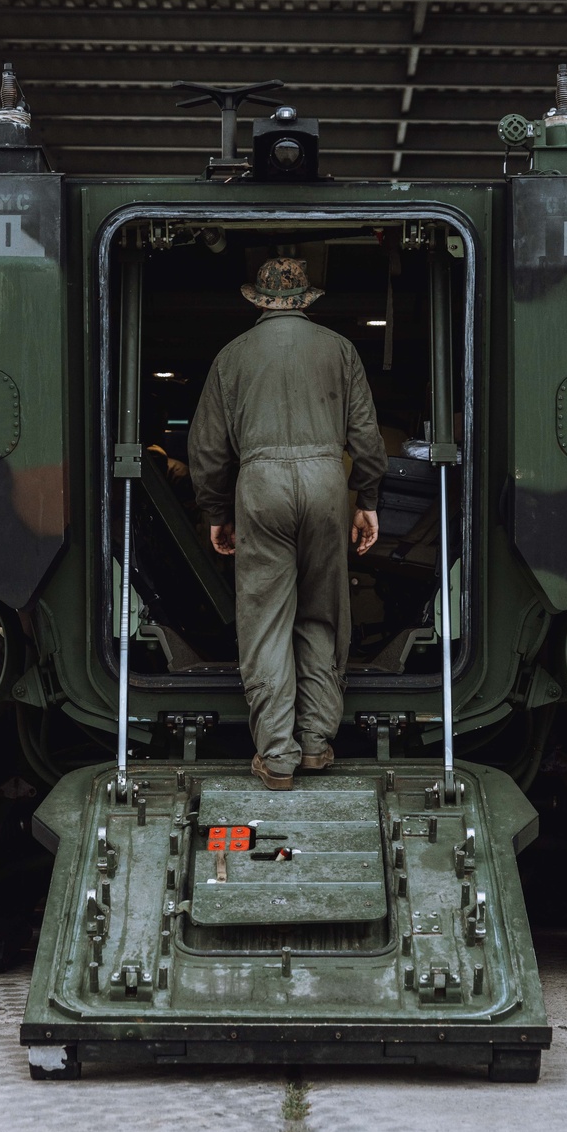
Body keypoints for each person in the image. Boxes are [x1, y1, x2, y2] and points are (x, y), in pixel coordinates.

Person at [188, 256, 388, 790]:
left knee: (267, 622)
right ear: (305, 300)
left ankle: (277, 755)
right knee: (323, 613)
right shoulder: (339, 350)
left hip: (260, 485)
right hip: (326, 481)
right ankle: (318, 744)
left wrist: (216, 511)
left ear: (257, 300)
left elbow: (207, 448)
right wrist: (365, 497)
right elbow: (365, 436)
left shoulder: (231, 357)